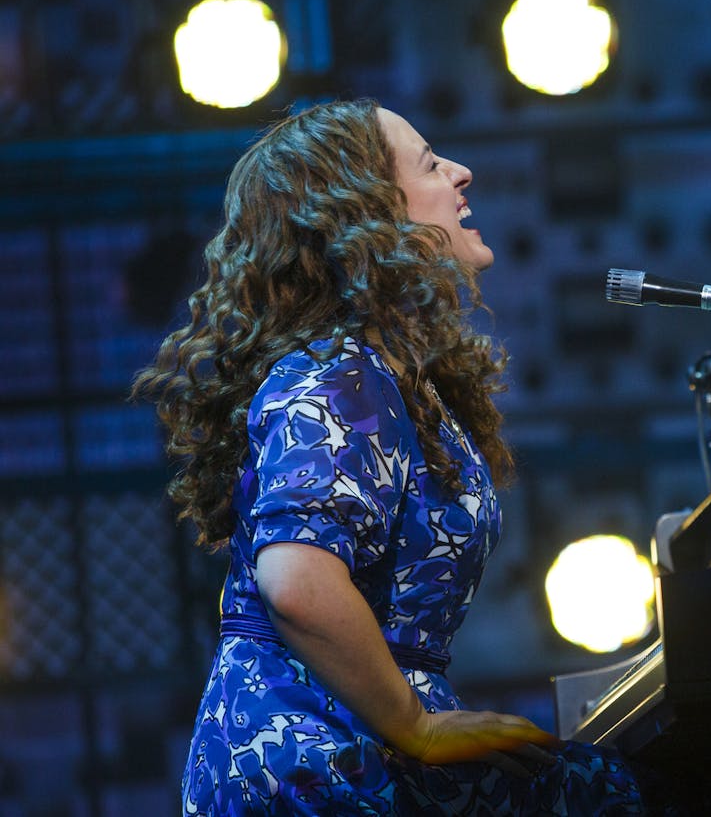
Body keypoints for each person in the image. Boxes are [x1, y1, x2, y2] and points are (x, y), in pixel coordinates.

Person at [133, 99, 646, 814]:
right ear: (368, 214)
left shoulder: (377, 374)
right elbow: (296, 583)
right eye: (432, 164)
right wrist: (416, 726)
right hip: (319, 767)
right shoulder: (338, 375)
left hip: (345, 744)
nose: (462, 174)